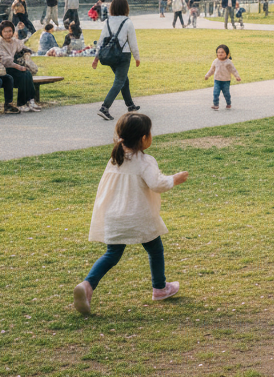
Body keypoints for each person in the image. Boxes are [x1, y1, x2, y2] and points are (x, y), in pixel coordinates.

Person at [73, 112, 188, 315]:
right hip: (138, 216)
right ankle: (160, 288)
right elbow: (157, 184)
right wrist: (175, 179)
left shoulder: (115, 158)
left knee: (112, 254)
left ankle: (87, 285)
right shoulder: (145, 161)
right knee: (154, 249)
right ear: (144, 138)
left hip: (114, 216)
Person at [92, 0, 141, 121]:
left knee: (124, 80)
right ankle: (105, 107)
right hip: (123, 55)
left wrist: (96, 57)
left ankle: (130, 106)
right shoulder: (128, 22)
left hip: (110, 55)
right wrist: (137, 57)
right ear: (126, 8)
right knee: (119, 81)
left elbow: (102, 40)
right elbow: (133, 42)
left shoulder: (108, 21)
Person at [0, 20, 40, 112]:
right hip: (3, 69)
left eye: (10, 31)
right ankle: (21, 103)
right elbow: (4, 60)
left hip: (13, 67)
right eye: (5, 31)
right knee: (23, 74)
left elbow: (23, 47)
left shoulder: (14, 41)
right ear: (1, 32)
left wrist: (27, 52)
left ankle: (30, 100)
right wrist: (18, 67)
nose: (8, 34)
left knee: (27, 73)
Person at [204, 44, 241, 110]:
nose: (220, 54)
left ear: (226, 54)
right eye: (218, 52)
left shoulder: (228, 62)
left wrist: (237, 76)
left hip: (226, 81)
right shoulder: (215, 61)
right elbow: (212, 70)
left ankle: (228, 103)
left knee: (226, 94)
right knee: (215, 93)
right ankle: (216, 105)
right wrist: (207, 75)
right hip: (217, 80)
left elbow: (233, 70)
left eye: (222, 52)